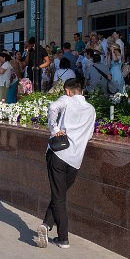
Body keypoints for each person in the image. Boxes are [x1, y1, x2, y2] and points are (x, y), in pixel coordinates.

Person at [37, 78, 96, 249]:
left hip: (59, 153)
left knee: (59, 196)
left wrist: (54, 129)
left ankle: (63, 238)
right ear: (81, 90)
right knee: (59, 195)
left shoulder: (66, 100)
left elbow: (52, 107)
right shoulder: (91, 109)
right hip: (76, 159)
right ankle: (46, 225)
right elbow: (90, 134)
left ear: (68, 91)